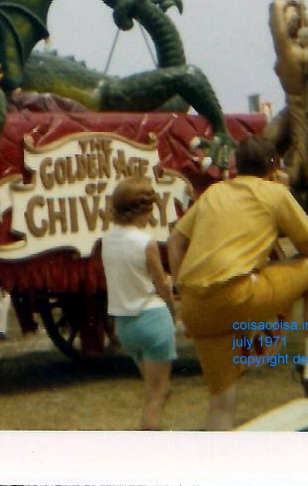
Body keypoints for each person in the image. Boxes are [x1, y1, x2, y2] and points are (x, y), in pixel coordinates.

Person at [166, 135, 308, 430]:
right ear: (274, 166)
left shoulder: (214, 193)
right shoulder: (275, 192)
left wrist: (181, 287)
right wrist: (284, 193)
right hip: (236, 293)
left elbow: (175, 240)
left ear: (237, 165)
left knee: (221, 402)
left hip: (195, 306)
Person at [101, 175, 178, 430]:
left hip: (125, 325)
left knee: (153, 389)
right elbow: (161, 286)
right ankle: (150, 441)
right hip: (153, 318)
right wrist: (174, 309)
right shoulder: (146, 242)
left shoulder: (107, 239)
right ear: (143, 210)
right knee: (157, 394)